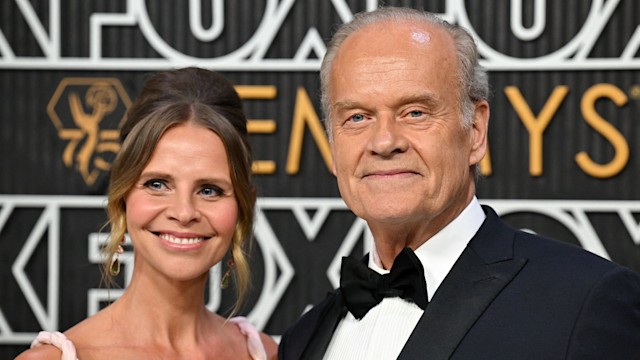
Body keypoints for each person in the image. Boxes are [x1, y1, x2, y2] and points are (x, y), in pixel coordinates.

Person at [278, 6, 640, 360]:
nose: (384, 142)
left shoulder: (584, 301)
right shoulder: (304, 337)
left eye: (415, 112)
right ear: (331, 142)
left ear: (475, 131)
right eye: (357, 117)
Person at [16, 67, 278, 360]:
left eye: (209, 190)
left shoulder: (264, 354)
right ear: (123, 195)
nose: (184, 212)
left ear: (244, 205)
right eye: (157, 184)